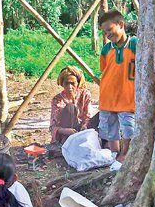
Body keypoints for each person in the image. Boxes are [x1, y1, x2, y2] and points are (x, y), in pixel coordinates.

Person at [98, 10, 137, 171]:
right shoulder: (107, 49)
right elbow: (103, 69)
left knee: (129, 128)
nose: (107, 34)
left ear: (121, 24)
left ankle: (126, 153)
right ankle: (114, 153)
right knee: (109, 128)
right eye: (104, 32)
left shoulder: (135, 44)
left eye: (109, 30)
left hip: (128, 97)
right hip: (107, 97)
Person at [50, 66, 93, 143]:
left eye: (72, 83)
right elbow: (53, 126)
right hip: (66, 135)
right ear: (62, 84)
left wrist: (85, 125)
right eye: (66, 83)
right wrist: (65, 131)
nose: (70, 87)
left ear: (78, 83)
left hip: (82, 131)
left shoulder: (85, 94)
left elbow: (88, 116)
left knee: (102, 115)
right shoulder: (57, 100)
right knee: (71, 108)